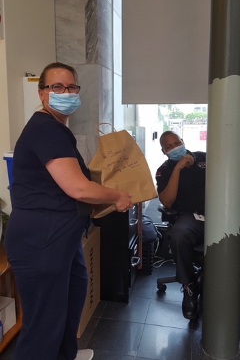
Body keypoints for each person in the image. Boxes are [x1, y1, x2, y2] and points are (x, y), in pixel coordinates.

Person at [4, 62, 132, 360]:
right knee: (43, 327)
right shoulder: (46, 129)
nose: (66, 92)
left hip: (61, 239)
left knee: (69, 305)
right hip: (41, 241)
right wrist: (116, 196)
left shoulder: (56, 128)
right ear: (42, 93)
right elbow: (79, 188)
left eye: (72, 87)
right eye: (57, 87)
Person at [155, 130, 206, 320]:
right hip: (190, 217)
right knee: (177, 235)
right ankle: (189, 287)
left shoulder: (204, 158)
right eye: (169, 147)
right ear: (163, 151)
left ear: (183, 141)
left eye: (177, 143)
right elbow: (167, 201)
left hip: (219, 213)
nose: (174, 147)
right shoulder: (164, 170)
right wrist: (177, 168)